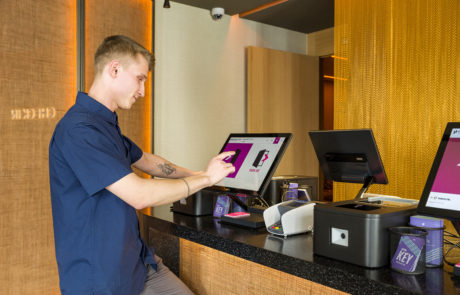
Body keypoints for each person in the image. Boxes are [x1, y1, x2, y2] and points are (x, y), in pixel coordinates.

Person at [49, 35, 235, 295]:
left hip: (135, 265)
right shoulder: (80, 130)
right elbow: (138, 194)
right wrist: (204, 181)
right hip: (100, 280)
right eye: (140, 78)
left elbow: (149, 162)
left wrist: (203, 173)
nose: (143, 91)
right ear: (114, 69)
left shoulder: (104, 125)